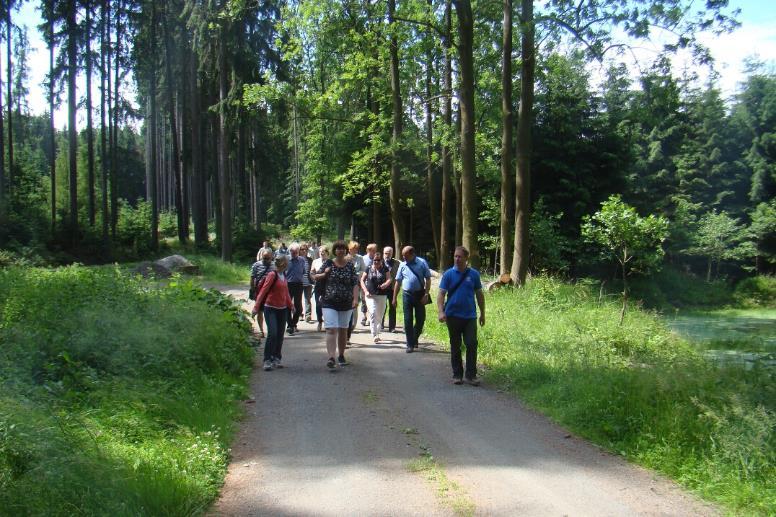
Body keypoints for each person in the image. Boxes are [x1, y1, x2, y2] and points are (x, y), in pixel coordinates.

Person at [437, 246, 485, 386]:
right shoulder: (448, 274)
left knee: (471, 344)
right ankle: (457, 374)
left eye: (460, 257)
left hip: (470, 316)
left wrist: (482, 313)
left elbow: (479, 295)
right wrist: (441, 311)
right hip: (452, 315)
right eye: (455, 256)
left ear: (466, 258)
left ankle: (471, 375)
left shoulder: (474, 274)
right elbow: (441, 294)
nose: (457, 259)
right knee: (455, 345)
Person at [313, 240, 359, 368]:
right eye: (338, 248)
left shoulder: (350, 266)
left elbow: (355, 283)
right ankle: (331, 357)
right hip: (329, 301)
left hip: (346, 302)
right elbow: (316, 276)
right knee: (331, 329)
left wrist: (355, 299)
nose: (340, 250)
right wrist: (325, 273)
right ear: (334, 251)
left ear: (346, 251)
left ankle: (341, 355)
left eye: (343, 248)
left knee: (343, 330)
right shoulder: (328, 263)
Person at [253, 255, 294, 371]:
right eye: (287, 262)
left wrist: (291, 305)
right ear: (284, 264)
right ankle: (267, 359)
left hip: (283, 309)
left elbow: (286, 293)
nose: (288, 264)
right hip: (270, 308)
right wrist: (256, 308)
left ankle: (276, 357)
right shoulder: (272, 275)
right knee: (273, 333)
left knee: (280, 335)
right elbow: (263, 291)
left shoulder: (283, 275)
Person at [392, 246, 431, 353]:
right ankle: (410, 344)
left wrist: (426, 294)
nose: (403, 257)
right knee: (408, 320)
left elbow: (428, 279)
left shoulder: (422, 263)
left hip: (419, 295)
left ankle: (414, 338)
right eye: (403, 255)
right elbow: (398, 281)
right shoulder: (402, 264)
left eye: (405, 255)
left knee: (420, 319)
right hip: (407, 295)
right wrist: (394, 298)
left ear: (412, 254)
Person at [360, 253, 392, 343]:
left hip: (382, 295)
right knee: (373, 313)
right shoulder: (368, 268)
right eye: (375, 260)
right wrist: (365, 291)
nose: (376, 262)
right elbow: (362, 280)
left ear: (381, 261)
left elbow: (389, 279)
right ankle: (374, 334)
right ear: (372, 260)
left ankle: (377, 331)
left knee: (380, 315)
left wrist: (386, 284)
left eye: (378, 260)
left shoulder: (385, 268)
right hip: (370, 295)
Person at [250, 250, 275, 338]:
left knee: (270, 311)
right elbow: (252, 277)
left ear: (271, 257)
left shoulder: (274, 265)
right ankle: (261, 330)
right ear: (261, 257)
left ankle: (270, 330)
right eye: (264, 258)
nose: (266, 260)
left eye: (268, 258)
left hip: (271, 292)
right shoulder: (256, 265)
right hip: (259, 291)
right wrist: (252, 289)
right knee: (259, 311)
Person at [285, 243, 306, 335]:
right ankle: (290, 325)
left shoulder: (302, 260)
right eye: (292, 252)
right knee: (287, 306)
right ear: (289, 251)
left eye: (296, 252)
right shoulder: (285, 259)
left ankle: (293, 323)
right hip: (287, 284)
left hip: (298, 284)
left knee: (299, 307)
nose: (294, 254)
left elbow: (304, 271)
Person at [347, 241, 365, 340]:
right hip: (346, 285)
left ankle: (353, 324)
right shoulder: (345, 258)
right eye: (354, 248)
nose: (356, 250)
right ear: (349, 249)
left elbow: (363, 270)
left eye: (357, 248)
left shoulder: (360, 258)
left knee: (355, 304)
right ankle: (347, 326)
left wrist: (357, 274)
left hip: (356, 285)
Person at [310, 245, 330, 332]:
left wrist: (318, 276)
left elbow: (328, 274)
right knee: (318, 304)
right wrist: (313, 277)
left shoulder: (330, 262)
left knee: (327, 305)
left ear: (327, 253)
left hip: (327, 286)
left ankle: (327, 323)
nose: (321, 253)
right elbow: (311, 272)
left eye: (323, 251)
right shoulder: (315, 261)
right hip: (318, 286)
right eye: (320, 251)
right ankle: (319, 321)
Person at [381, 246, 399, 333]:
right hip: (382, 288)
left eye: (389, 253)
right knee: (382, 307)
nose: (387, 255)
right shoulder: (379, 262)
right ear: (383, 253)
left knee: (393, 307)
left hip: (392, 288)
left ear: (392, 254)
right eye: (386, 253)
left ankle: (392, 327)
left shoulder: (397, 263)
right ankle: (381, 324)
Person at [360, 243, 378, 326]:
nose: (373, 252)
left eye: (375, 250)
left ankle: (371, 317)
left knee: (371, 301)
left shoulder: (377, 259)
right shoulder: (363, 259)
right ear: (368, 250)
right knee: (364, 300)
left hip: (373, 284)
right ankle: (364, 316)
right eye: (372, 250)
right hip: (364, 283)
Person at [300, 242, 314, 323]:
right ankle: (299, 314)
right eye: (302, 249)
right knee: (297, 300)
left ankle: (308, 315)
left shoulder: (310, 260)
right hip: (298, 282)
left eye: (305, 249)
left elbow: (312, 271)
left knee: (307, 299)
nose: (304, 251)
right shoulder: (297, 259)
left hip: (308, 282)